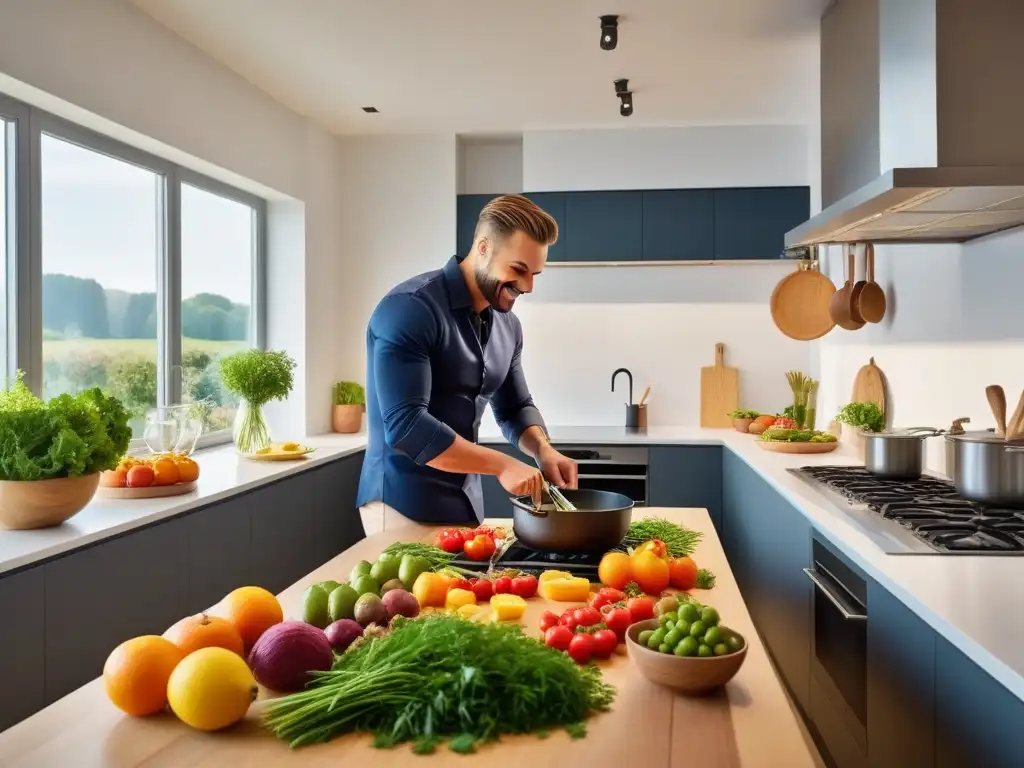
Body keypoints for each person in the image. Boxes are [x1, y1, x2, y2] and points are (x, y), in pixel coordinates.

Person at [356, 194, 578, 535]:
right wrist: (502, 465)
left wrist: (543, 450)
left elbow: (515, 408)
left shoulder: (508, 326)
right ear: (484, 248)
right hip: (402, 504)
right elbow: (407, 427)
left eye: (534, 274)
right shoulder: (410, 309)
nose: (528, 286)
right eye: (518, 269)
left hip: (465, 505)